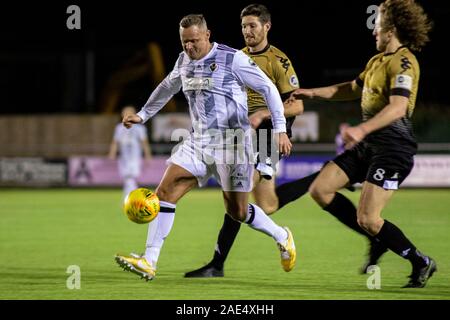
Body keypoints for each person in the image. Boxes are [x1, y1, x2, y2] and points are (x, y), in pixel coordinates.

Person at [115, 14, 296, 281]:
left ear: (207, 34)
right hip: (198, 142)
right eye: (184, 42)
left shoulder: (232, 58)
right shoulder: (183, 60)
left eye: (194, 41)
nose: (189, 47)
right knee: (164, 192)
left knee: (237, 211)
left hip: (233, 143)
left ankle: (282, 235)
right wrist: (142, 115)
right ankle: (149, 260)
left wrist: (280, 129)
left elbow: (269, 89)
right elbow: (166, 87)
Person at [292, 0, 436, 288]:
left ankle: (420, 261)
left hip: (393, 150)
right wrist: (310, 93)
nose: (374, 31)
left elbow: (398, 107)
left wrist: (361, 129)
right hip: (368, 146)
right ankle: (375, 238)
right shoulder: (377, 61)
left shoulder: (404, 61)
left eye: (378, 25)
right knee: (320, 189)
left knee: (369, 218)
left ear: (391, 29)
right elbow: (348, 89)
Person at [185, 4, 305, 278]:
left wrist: (268, 116)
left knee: (240, 199)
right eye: (243, 26)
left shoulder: (279, 61)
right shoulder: (234, 57)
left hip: (264, 133)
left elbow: (297, 107)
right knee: (259, 203)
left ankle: (218, 263)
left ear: (266, 27)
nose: (247, 31)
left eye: (252, 25)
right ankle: (219, 263)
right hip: (237, 131)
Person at [108, 105, 152, 201]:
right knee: (127, 178)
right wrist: (112, 153)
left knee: (130, 177)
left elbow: (144, 142)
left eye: (129, 112)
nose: (127, 114)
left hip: (135, 157)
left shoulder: (140, 128)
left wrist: (147, 155)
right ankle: (132, 198)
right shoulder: (119, 128)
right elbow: (115, 142)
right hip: (124, 157)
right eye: (125, 112)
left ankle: (130, 199)